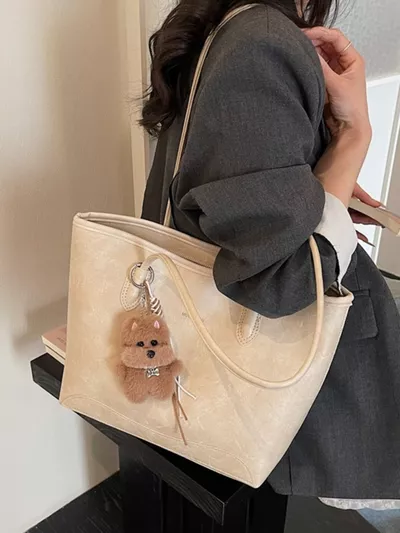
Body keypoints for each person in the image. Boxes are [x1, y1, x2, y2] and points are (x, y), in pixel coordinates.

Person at [141, 0, 400, 500]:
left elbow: (220, 189)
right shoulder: (262, 39)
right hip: (260, 387)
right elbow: (283, 282)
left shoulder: (217, 28)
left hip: (199, 352)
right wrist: (354, 135)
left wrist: (319, 192)